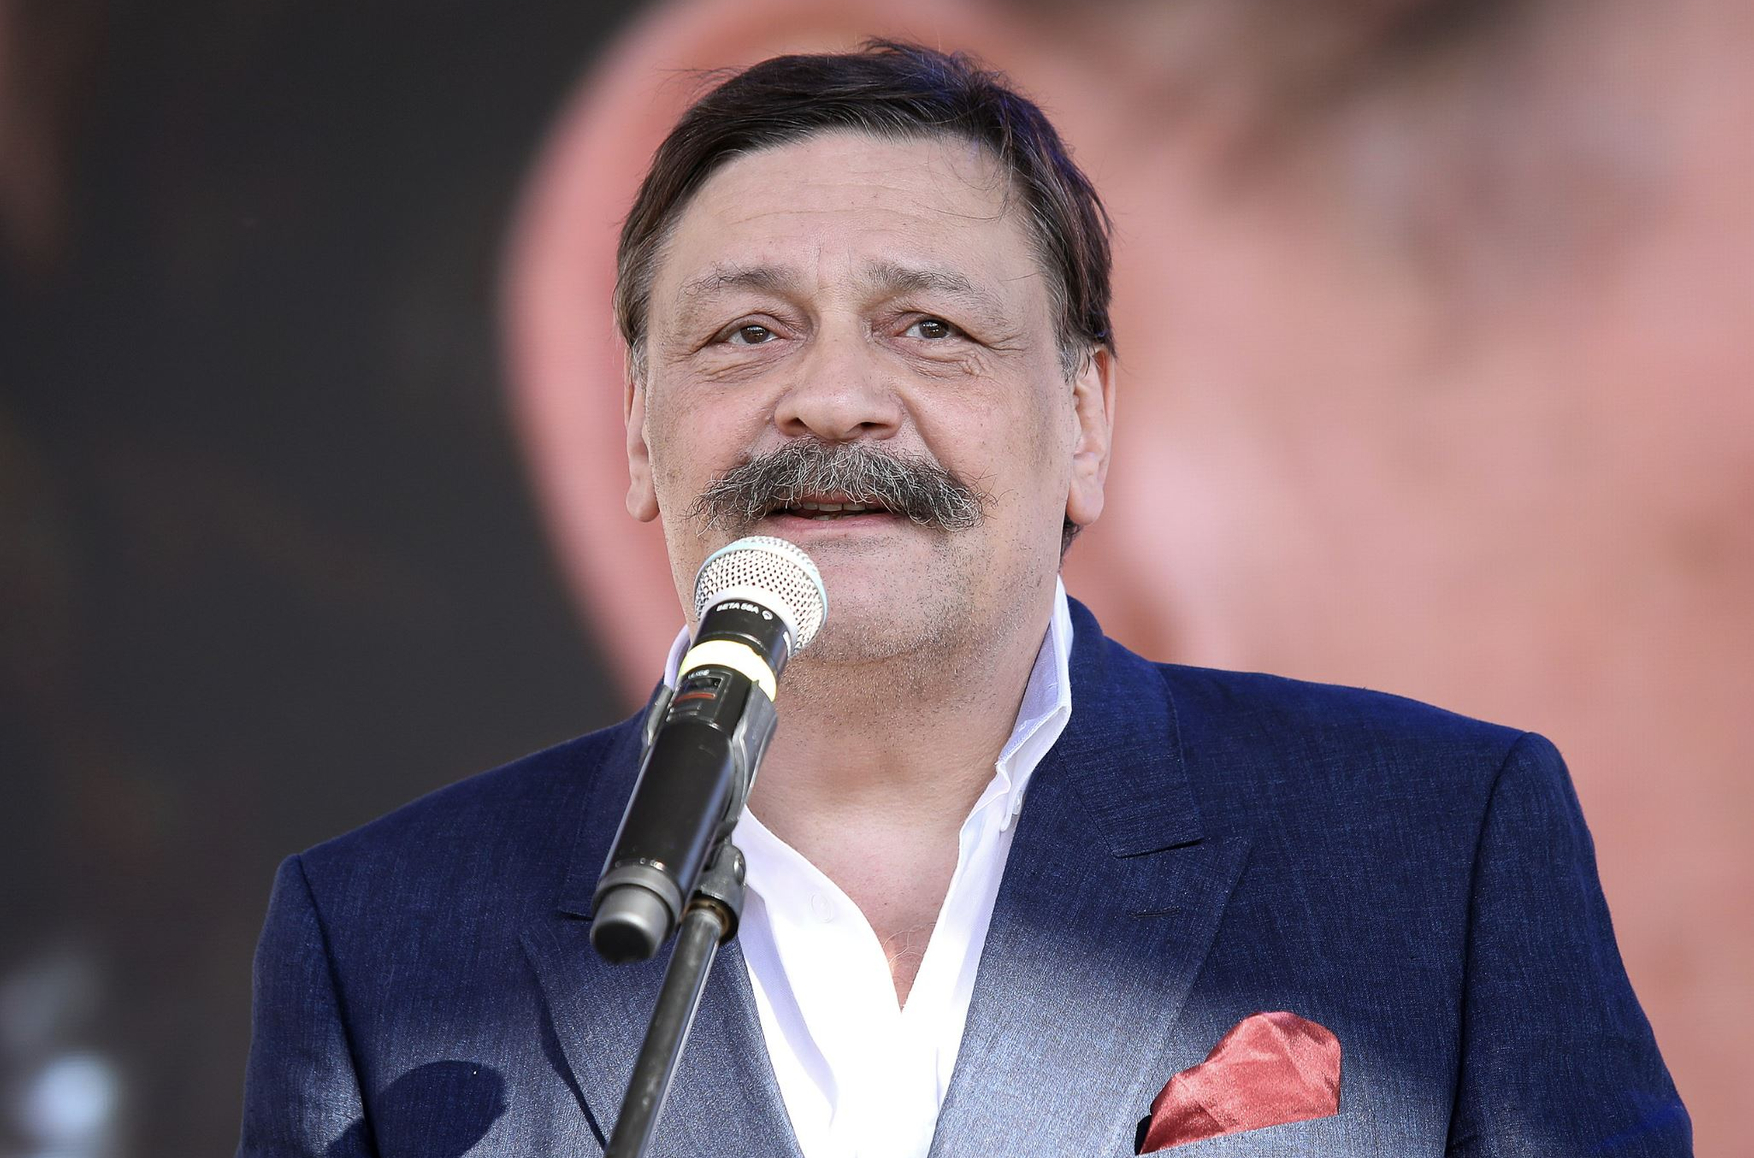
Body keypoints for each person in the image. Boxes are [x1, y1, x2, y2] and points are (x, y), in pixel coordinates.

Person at [240, 42, 1688, 1156]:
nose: (833, 397)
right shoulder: (380, 940)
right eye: (746, 333)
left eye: (929, 327)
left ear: (1085, 422)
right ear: (631, 433)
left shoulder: (1440, 848)